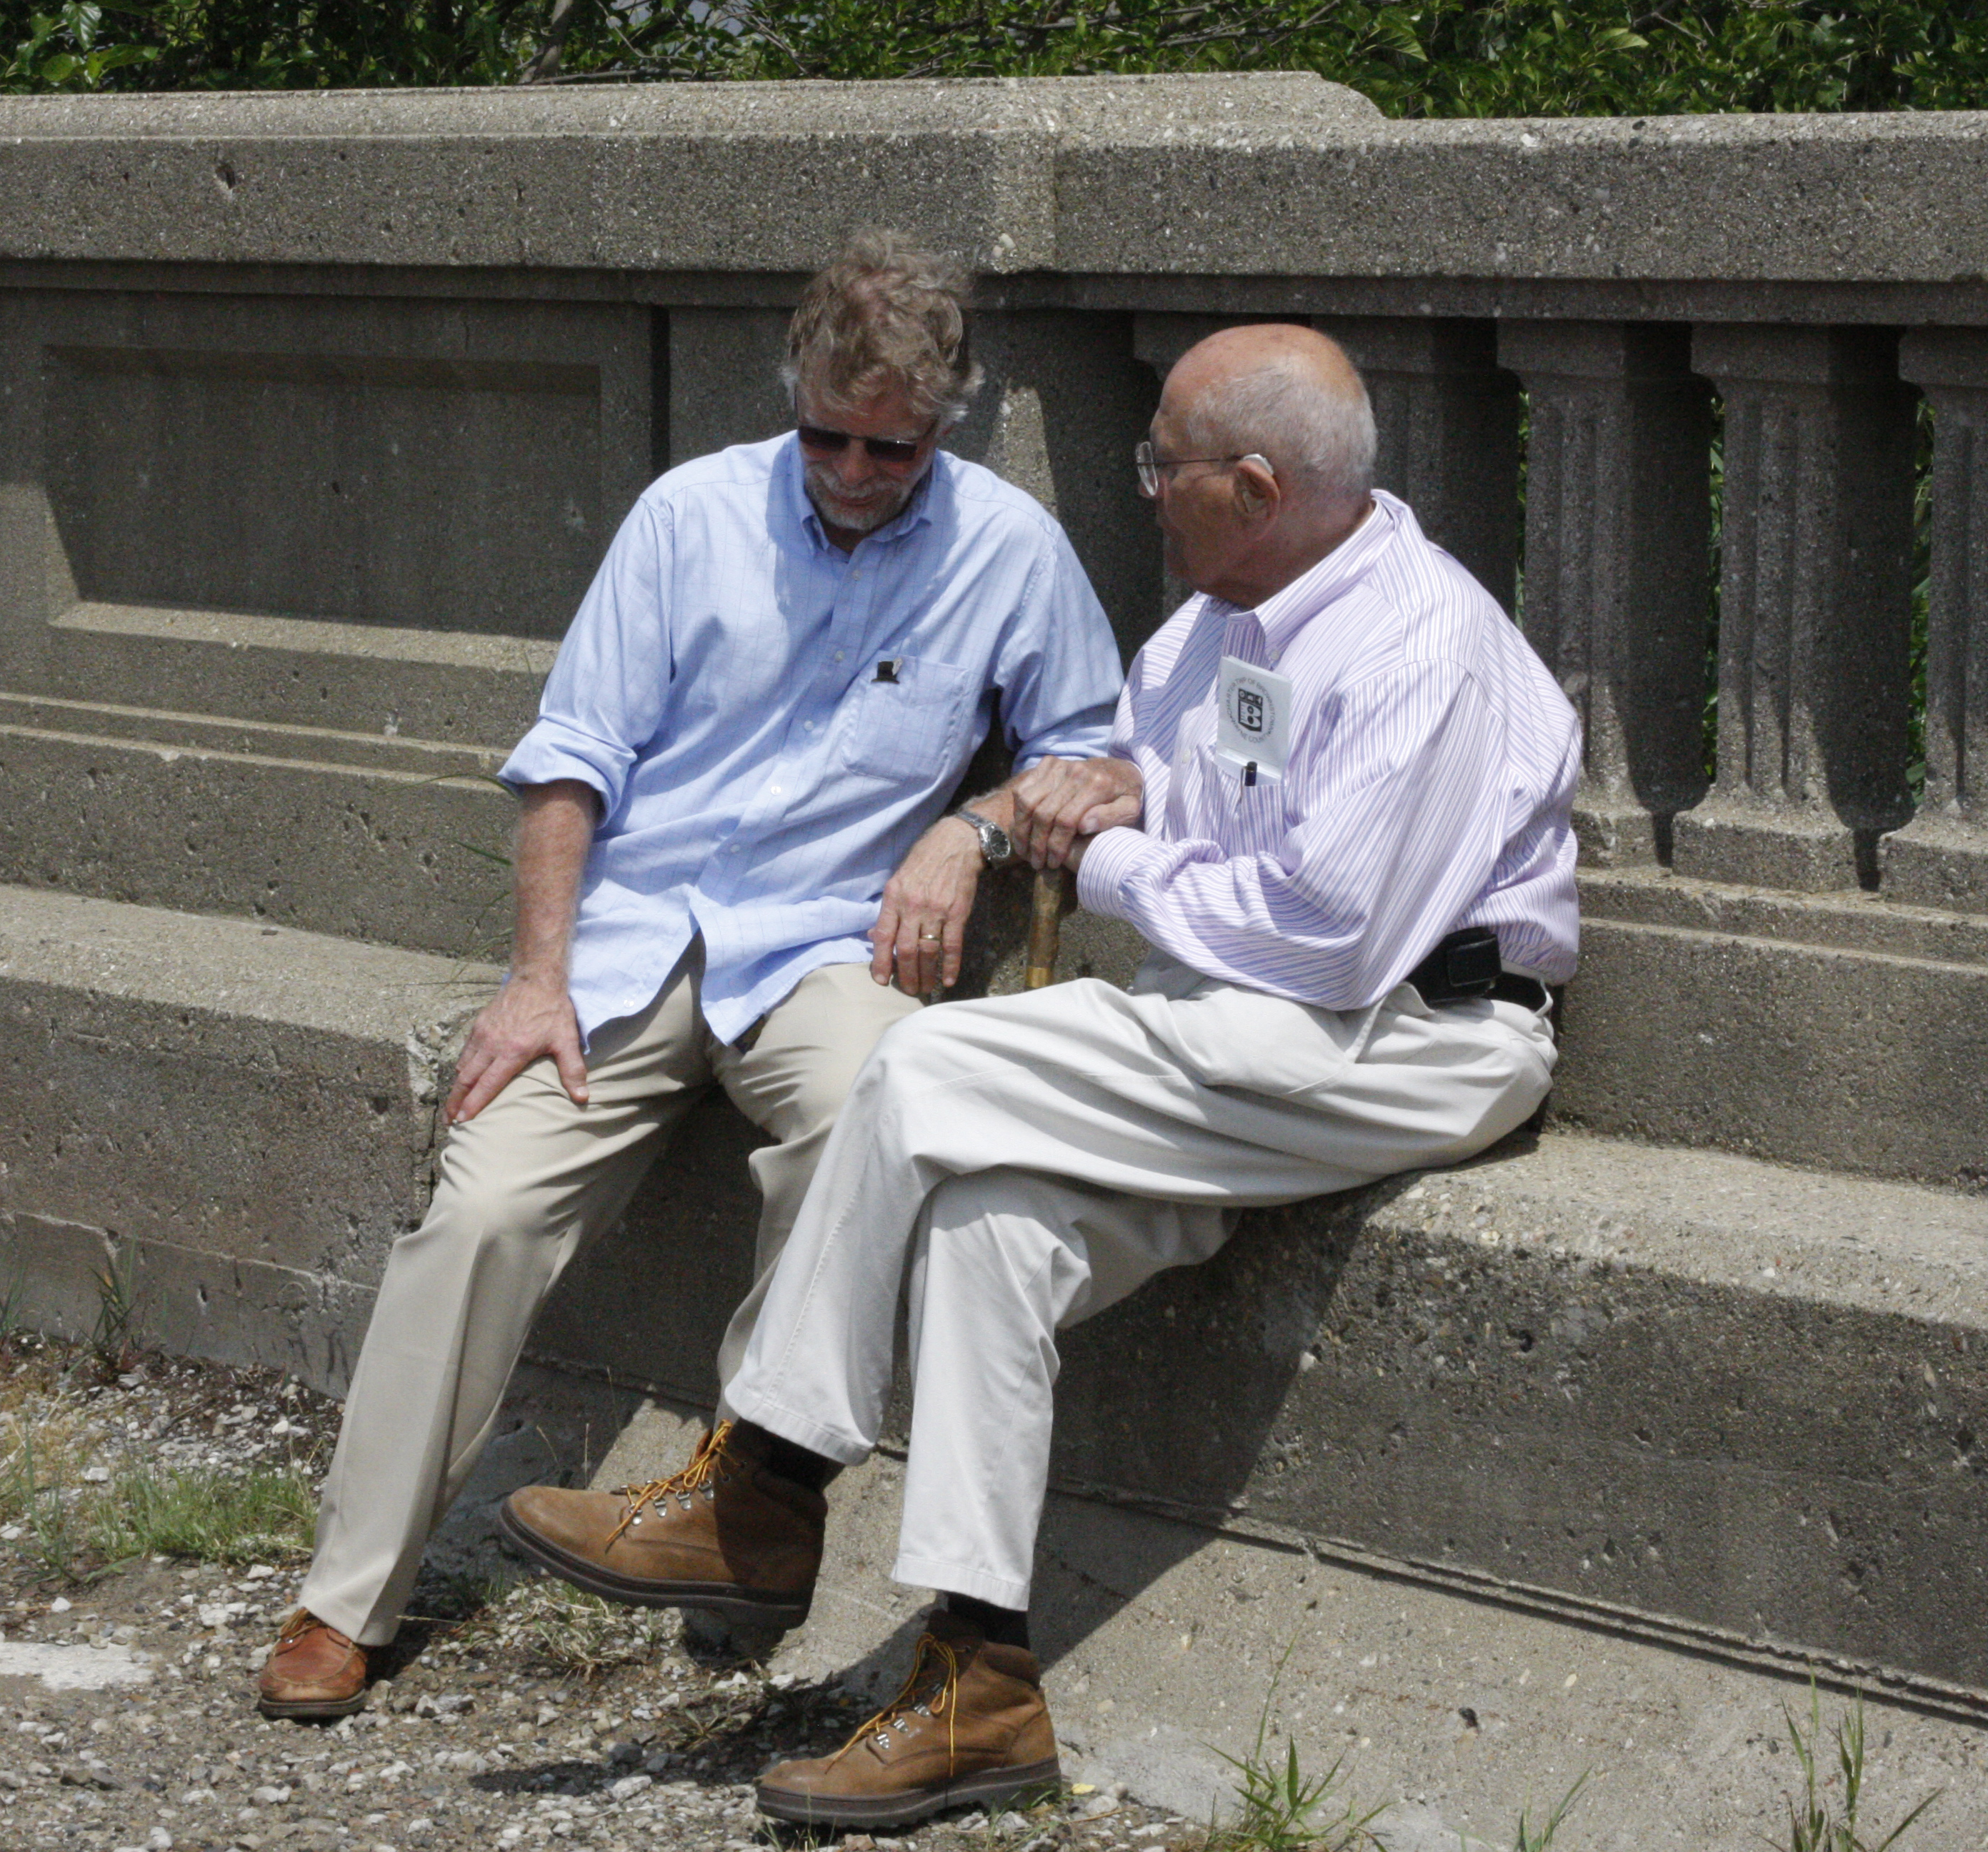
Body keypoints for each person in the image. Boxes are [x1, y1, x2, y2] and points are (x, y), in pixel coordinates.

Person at [497, 324, 1582, 1829]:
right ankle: (980, 1686)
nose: (1145, 488)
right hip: (1249, 1024)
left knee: (923, 1062)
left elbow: (1329, 940)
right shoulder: (1222, 612)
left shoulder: (1416, 645)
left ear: (1256, 485)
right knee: (988, 1227)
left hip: (1412, 1038)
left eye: (1166, 463)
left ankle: (764, 1483)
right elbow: (1151, 763)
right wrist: (1113, 788)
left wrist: (1121, 853)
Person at [256, 231, 1127, 1719]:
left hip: (827, 944)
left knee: (874, 1116)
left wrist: (967, 829)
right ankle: (349, 1599)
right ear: (793, 389)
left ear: (951, 420)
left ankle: (740, 1519)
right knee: (480, 1209)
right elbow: (570, 759)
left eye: (892, 448)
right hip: (636, 931)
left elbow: (1096, 754)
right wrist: (537, 979)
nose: (855, 471)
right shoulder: (689, 514)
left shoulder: (1007, 548)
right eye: (829, 436)